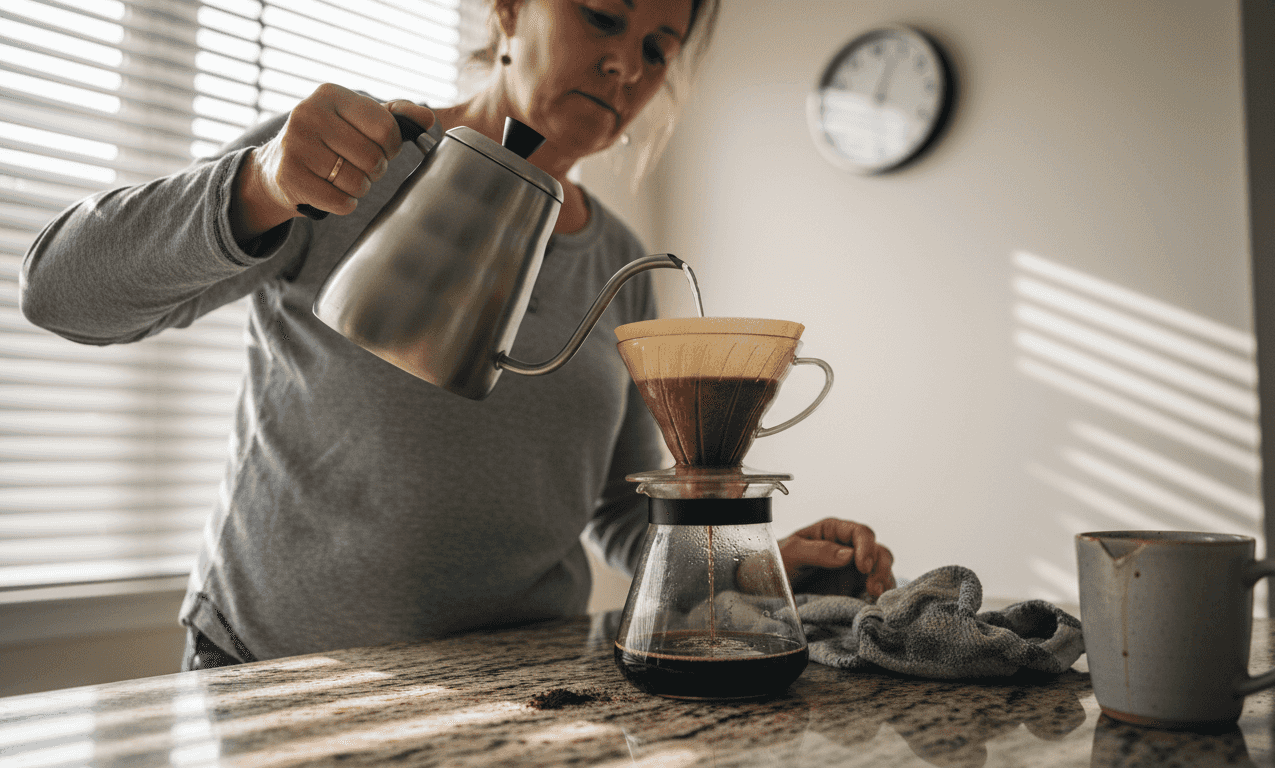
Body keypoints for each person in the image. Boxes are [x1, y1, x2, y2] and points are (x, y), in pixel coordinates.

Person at [21, 0, 896, 670]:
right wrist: (260, 182)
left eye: (659, 49)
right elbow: (60, 293)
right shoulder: (342, 162)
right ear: (510, 9)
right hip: (278, 674)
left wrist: (745, 568)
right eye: (603, 16)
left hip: (518, 684)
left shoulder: (622, 266)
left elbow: (623, 511)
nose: (627, 63)